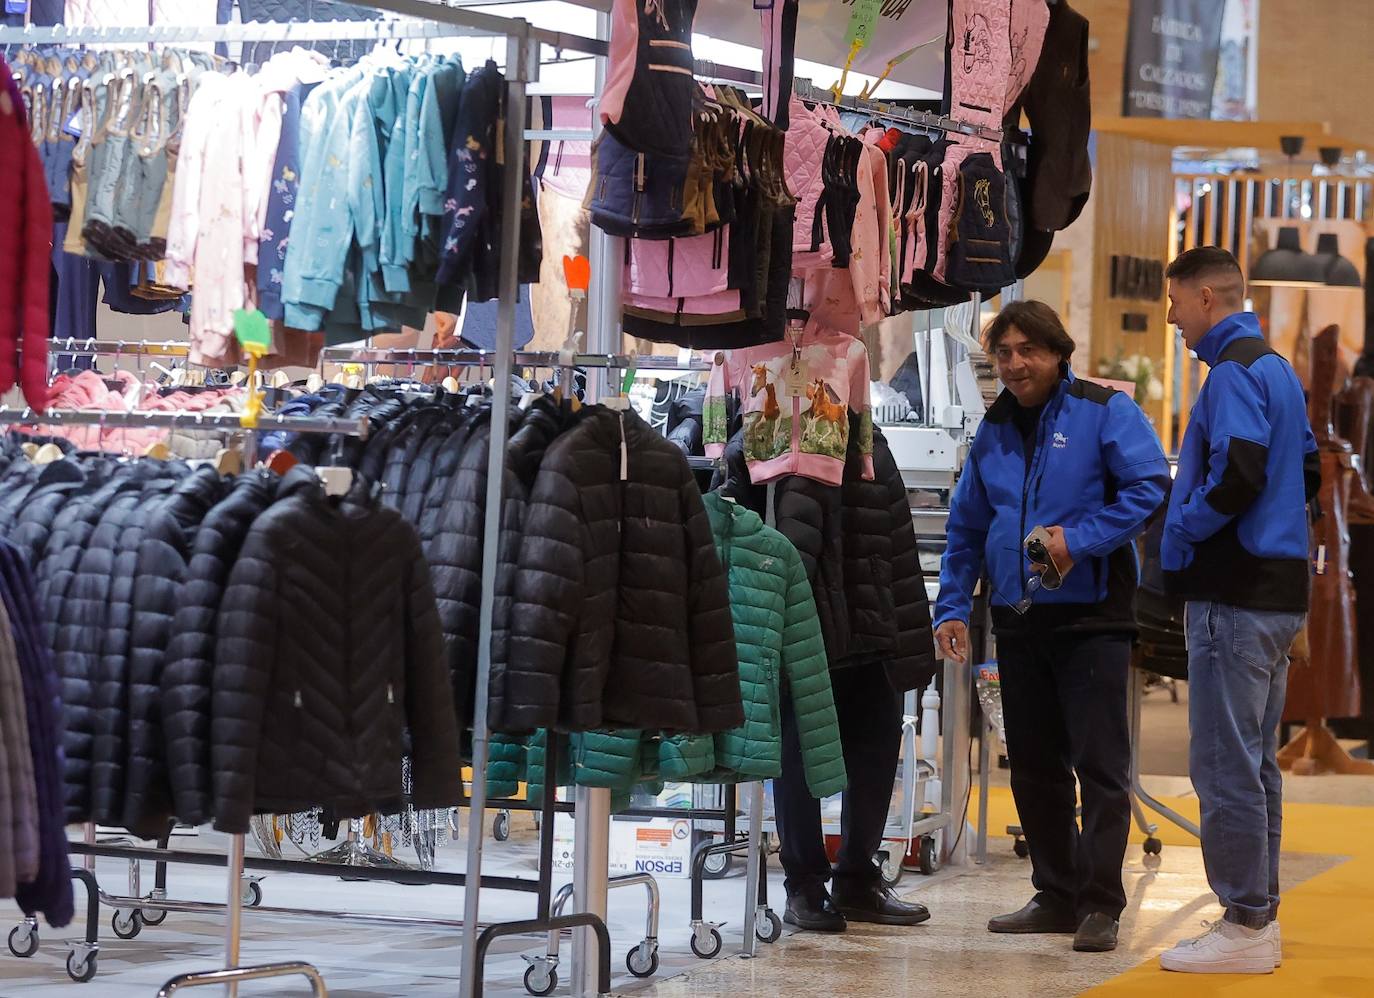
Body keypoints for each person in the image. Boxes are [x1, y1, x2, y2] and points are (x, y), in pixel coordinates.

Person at [934, 300, 1169, 953]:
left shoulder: (1103, 410)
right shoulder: (995, 428)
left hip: (1092, 616)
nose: (1013, 364)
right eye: (1002, 354)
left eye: (1025, 351)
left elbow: (1148, 487)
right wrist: (953, 605)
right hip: (1017, 616)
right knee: (1033, 764)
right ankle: (1055, 893)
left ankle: (1100, 903)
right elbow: (967, 526)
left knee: (1099, 765)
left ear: (1057, 352)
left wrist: (1081, 540)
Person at [1157, 247, 1317, 975]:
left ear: (1210, 299)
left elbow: (1241, 472)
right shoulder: (1279, 369)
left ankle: (1246, 922)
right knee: (1254, 766)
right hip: (1278, 595)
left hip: (1235, 596)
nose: (1172, 317)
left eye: (1177, 302)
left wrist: (1181, 526)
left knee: (1225, 766)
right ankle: (1259, 917)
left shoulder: (1230, 373)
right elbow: (1306, 468)